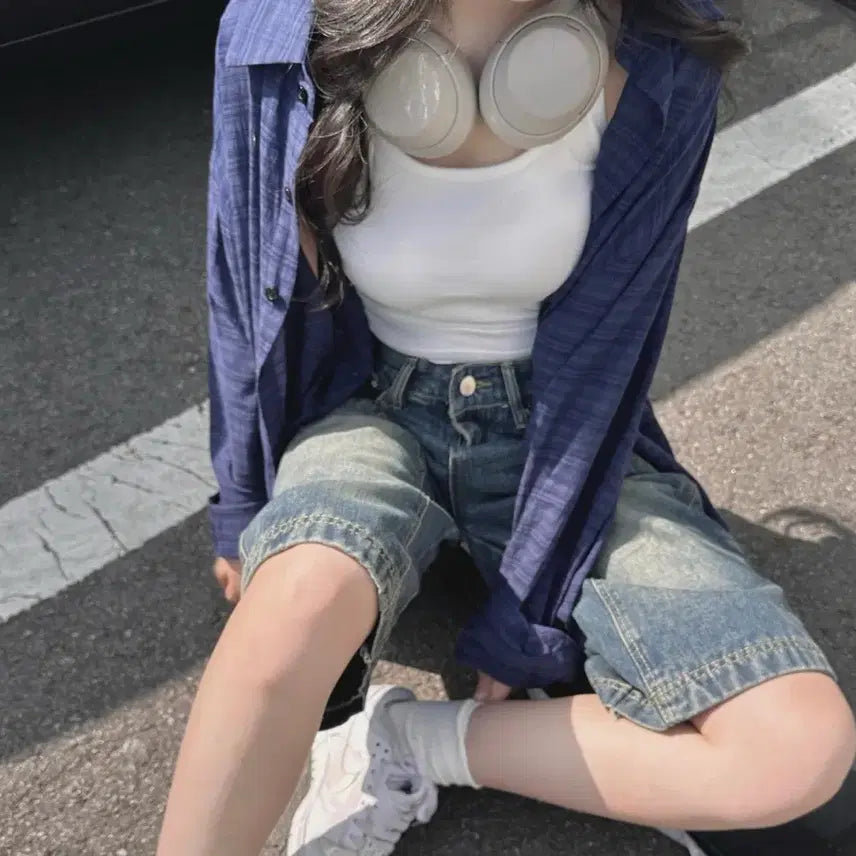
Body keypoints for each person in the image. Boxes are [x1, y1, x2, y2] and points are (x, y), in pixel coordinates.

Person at [157, 0, 856, 853]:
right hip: (371, 406)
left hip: (563, 426)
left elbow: (608, 354)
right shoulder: (281, 39)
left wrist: (530, 610)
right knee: (291, 608)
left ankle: (403, 741)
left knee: (796, 752)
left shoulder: (663, 58)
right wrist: (240, 504)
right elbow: (245, 297)